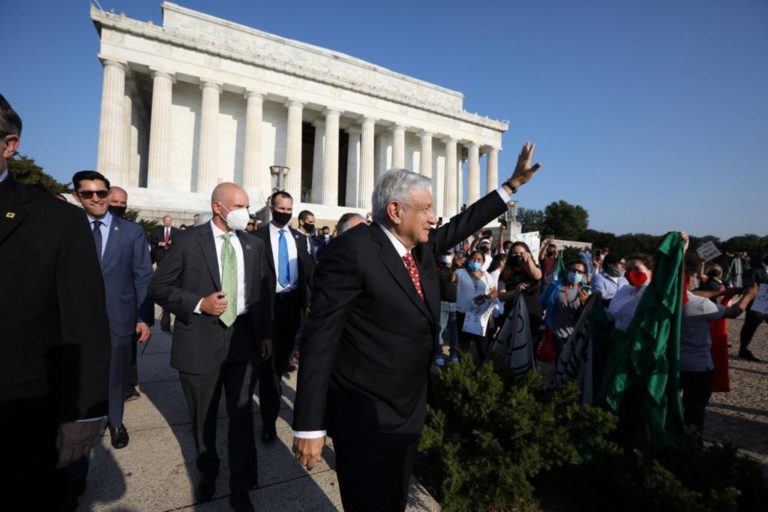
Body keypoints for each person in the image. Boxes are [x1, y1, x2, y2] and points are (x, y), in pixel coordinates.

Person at [292, 141, 541, 512]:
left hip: (407, 411)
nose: (432, 217)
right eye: (425, 209)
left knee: (393, 501)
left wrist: (510, 187)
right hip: (364, 415)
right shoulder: (353, 251)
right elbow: (321, 338)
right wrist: (309, 424)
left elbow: (462, 224)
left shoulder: (418, 248)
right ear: (395, 210)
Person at [0, 94, 111, 511]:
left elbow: (83, 322)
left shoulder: (56, 220)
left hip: (19, 422)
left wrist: (84, 414)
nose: (98, 199)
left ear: (9, 145)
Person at [149, 183, 273, 512]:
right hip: (200, 338)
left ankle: (242, 485)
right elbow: (159, 287)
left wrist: (264, 333)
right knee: (203, 417)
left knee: (242, 416)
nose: (246, 212)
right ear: (218, 207)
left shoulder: (253, 244)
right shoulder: (189, 241)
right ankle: (208, 470)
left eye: (247, 206)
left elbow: (263, 294)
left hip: (244, 338)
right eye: (239, 206)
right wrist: (198, 303)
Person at [254, 191, 314, 444]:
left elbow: (310, 273)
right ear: (271, 207)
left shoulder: (300, 239)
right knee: (268, 370)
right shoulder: (256, 238)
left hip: (292, 309)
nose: (286, 213)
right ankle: (269, 421)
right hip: (267, 307)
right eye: (282, 208)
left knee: (280, 364)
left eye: (290, 209)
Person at [680, 261, 758, 433]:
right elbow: (734, 312)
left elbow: (693, 294)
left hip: (672, 364)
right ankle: (690, 449)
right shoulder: (699, 305)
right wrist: (748, 296)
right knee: (694, 414)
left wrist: (723, 292)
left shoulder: (664, 298)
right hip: (697, 367)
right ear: (690, 279)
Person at [540, 260, 591, 356]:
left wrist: (585, 303)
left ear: (583, 275)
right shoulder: (554, 286)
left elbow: (588, 316)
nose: (576, 273)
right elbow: (541, 304)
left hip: (574, 336)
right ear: (568, 270)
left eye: (580, 272)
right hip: (555, 334)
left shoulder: (586, 292)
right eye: (573, 270)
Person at [455, 250, 498, 361]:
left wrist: (488, 297)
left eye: (479, 259)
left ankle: (483, 370)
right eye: (473, 258)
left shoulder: (487, 276)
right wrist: (453, 268)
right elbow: (451, 279)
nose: (475, 261)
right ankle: (462, 371)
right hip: (464, 315)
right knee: (463, 345)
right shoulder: (460, 272)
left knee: (482, 346)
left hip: (480, 316)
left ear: (483, 262)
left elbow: (494, 291)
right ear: (469, 259)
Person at [497, 241, 543, 344]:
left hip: (531, 315)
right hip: (512, 315)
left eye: (521, 253)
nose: (518, 256)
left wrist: (529, 260)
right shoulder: (505, 273)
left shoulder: (535, 268)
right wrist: (515, 292)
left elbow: (537, 276)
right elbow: (501, 296)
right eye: (514, 253)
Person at [607, 254, 654, 332]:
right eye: (628, 269)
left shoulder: (651, 295)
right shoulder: (625, 291)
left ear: (650, 271)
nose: (631, 272)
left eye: (636, 268)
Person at [151, 214, 180, 331]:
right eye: (166, 221)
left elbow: (180, 243)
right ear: (163, 221)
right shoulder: (158, 231)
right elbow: (152, 240)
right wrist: (160, 243)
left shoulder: (176, 231)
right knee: (161, 276)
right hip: (161, 257)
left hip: (171, 258)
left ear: (171, 221)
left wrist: (172, 242)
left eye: (169, 221)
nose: (168, 223)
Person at [434, 251, 464, 366]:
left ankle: (454, 354)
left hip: (456, 305)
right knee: (440, 330)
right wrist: (454, 267)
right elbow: (448, 278)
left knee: (454, 332)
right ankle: (439, 354)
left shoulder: (461, 271)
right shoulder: (439, 271)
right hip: (442, 304)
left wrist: (457, 267)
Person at [739, 251, 768, 361]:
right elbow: (747, 287)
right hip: (756, 305)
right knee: (749, 327)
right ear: (764, 255)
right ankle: (743, 349)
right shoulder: (753, 270)